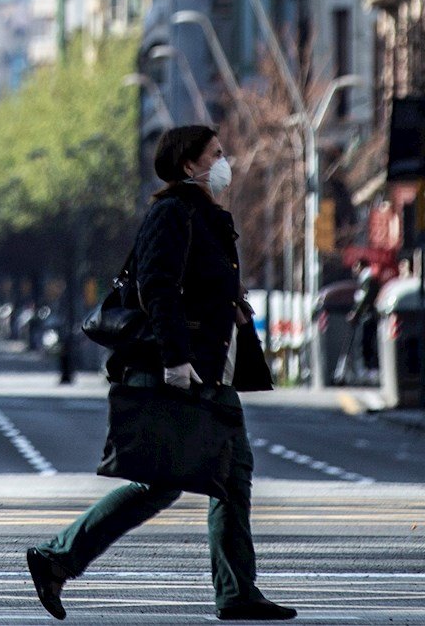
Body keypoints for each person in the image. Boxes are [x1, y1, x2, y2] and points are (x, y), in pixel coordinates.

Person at [24, 124, 296, 622]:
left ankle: (237, 592)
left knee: (230, 477)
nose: (224, 161)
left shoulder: (207, 217)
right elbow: (158, 288)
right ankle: (57, 558)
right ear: (189, 165)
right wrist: (174, 359)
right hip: (178, 368)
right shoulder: (171, 213)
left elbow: (195, 287)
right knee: (164, 482)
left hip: (210, 370)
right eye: (215, 154)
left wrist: (229, 310)